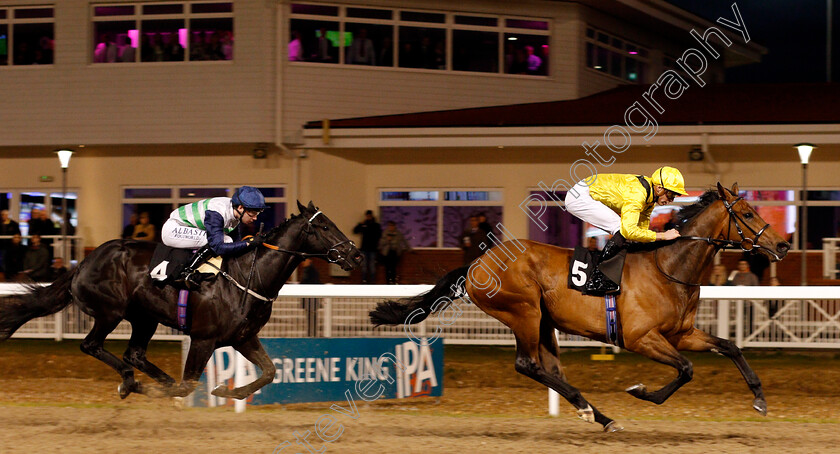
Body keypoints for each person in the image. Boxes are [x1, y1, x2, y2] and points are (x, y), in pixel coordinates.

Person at [564, 166, 687, 294]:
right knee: (621, 229)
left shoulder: (649, 200)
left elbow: (641, 232)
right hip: (580, 196)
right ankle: (597, 279)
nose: (672, 200)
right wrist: (662, 235)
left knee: (627, 233)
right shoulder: (638, 194)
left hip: (585, 191)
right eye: (671, 194)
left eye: (675, 196)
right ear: (659, 188)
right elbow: (629, 231)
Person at [161, 186, 268, 289]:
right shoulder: (217, 213)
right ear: (241, 208)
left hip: (187, 227)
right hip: (173, 230)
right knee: (224, 240)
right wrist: (249, 243)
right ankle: (186, 273)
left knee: (229, 241)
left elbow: (236, 243)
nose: (255, 218)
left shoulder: (235, 212)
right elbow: (218, 247)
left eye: (257, 214)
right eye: (253, 213)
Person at [353, 210, 382, 284]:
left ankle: (372, 281)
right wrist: (360, 224)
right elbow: (355, 231)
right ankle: (364, 280)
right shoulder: (364, 224)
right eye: (367, 216)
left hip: (373, 249)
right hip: (364, 248)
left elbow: (379, 235)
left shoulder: (376, 225)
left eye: (369, 216)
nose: (368, 217)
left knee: (372, 266)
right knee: (364, 266)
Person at [298, 258, 321, 337]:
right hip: (311, 300)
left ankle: (311, 334)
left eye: (304, 261)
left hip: (311, 300)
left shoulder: (308, 271)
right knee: (311, 318)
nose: (302, 263)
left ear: (309, 261)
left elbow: (304, 282)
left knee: (311, 318)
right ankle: (311, 333)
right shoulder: (311, 270)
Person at [0, 209, 21, 274]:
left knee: (9, 261)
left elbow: (18, 234)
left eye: (6, 215)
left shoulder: (14, 224)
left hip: (10, 246)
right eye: (2, 215)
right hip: (1, 246)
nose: (4, 216)